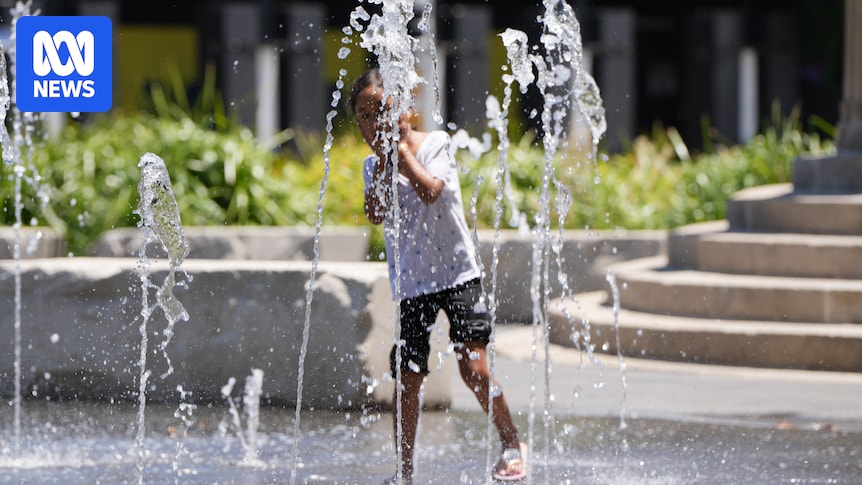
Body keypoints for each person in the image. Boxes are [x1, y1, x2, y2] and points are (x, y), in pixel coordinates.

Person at [349, 68, 528, 484]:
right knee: (407, 378)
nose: (374, 123)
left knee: (474, 368)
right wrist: (384, 165)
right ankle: (404, 472)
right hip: (413, 284)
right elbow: (376, 212)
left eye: (382, 112)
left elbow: (431, 191)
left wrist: (401, 154)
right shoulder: (372, 166)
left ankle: (512, 444)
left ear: (404, 110)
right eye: (364, 116)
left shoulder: (436, 145)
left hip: (458, 274)